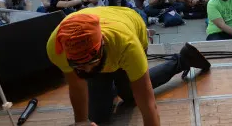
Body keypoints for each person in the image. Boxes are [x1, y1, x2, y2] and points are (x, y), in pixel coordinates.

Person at [47, 8, 211, 125]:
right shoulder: (58, 47)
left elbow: (148, 105)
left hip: (130, 24)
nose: (87, 70)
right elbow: (76, 85)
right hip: (103, 26)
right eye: (78, 65)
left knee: (130, 95)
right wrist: (81, 122)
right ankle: (110, 85)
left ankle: (181, 60)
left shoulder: (127, 46)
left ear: (103, 45)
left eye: (90, 63)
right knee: (98, 117)